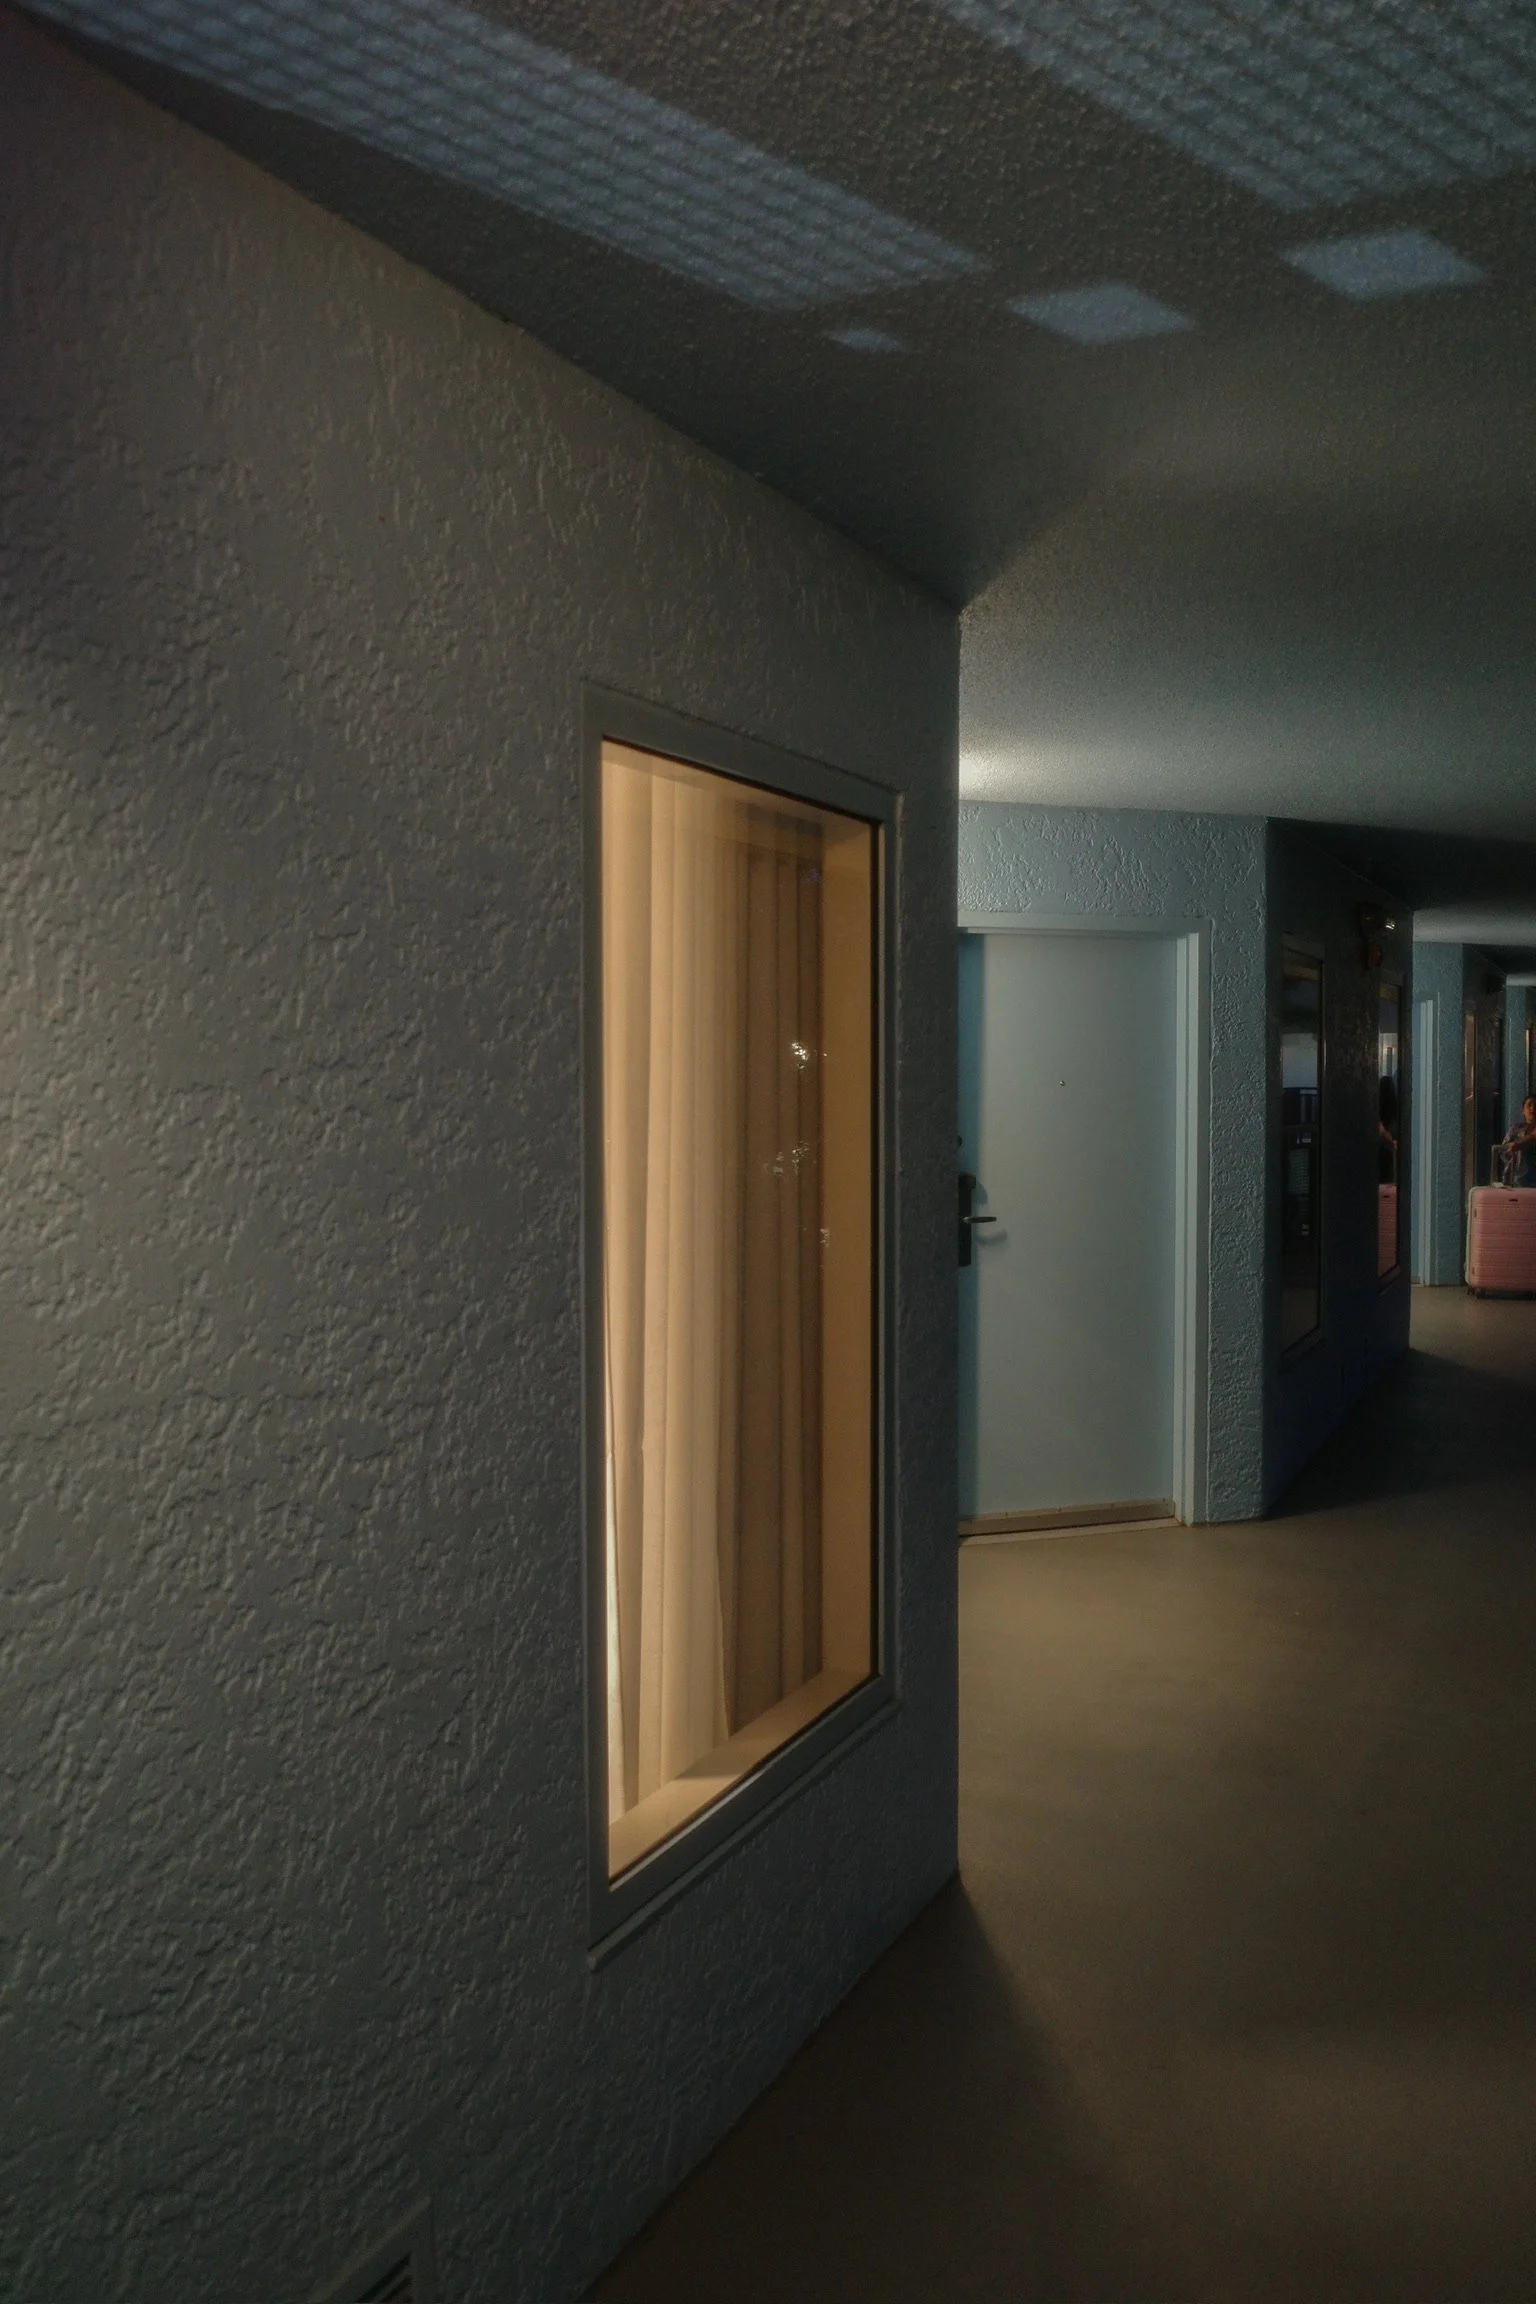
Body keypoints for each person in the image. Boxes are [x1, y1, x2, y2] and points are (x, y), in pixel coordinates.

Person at [1501, 1095, 1536, 1186]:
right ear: (1523, 1110)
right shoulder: (1515, 1129)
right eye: (1529, 1105)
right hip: (1518, 1180)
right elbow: (1503, 1151)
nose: (1533, 1108)